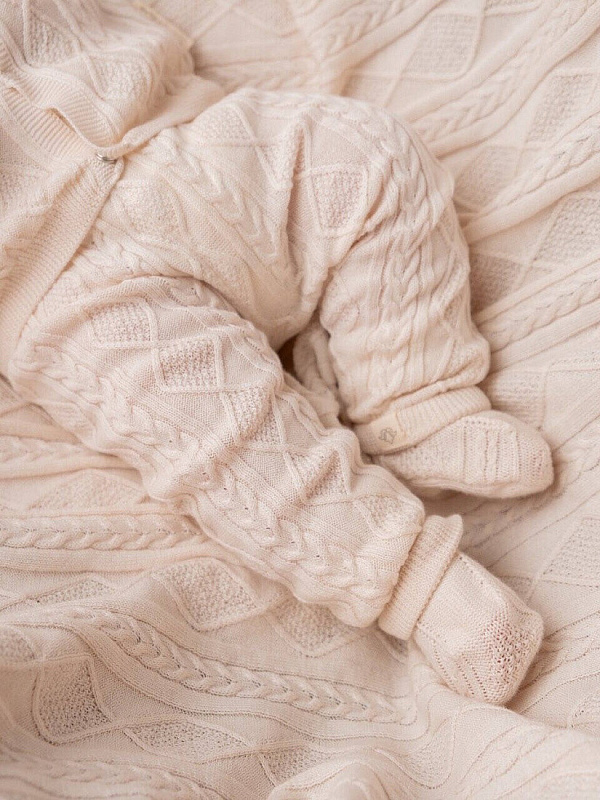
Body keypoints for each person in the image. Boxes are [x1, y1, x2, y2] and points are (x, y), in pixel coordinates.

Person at [0, 3, 551, 705]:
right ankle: (420, 583)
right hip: (55, 279)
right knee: (216, 435)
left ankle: (412, 394)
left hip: (182, 131)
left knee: (370, 156)